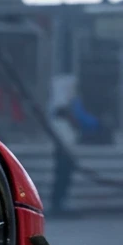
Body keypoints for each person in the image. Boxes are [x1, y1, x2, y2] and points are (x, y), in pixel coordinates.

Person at [48, 74, 78, 217]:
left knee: (65, 180)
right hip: (63, 156)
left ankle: (60, 203)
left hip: (67, 156)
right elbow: (63, 142)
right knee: (61, 180)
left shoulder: (67, 125)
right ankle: (57, 204)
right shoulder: (59, 125)